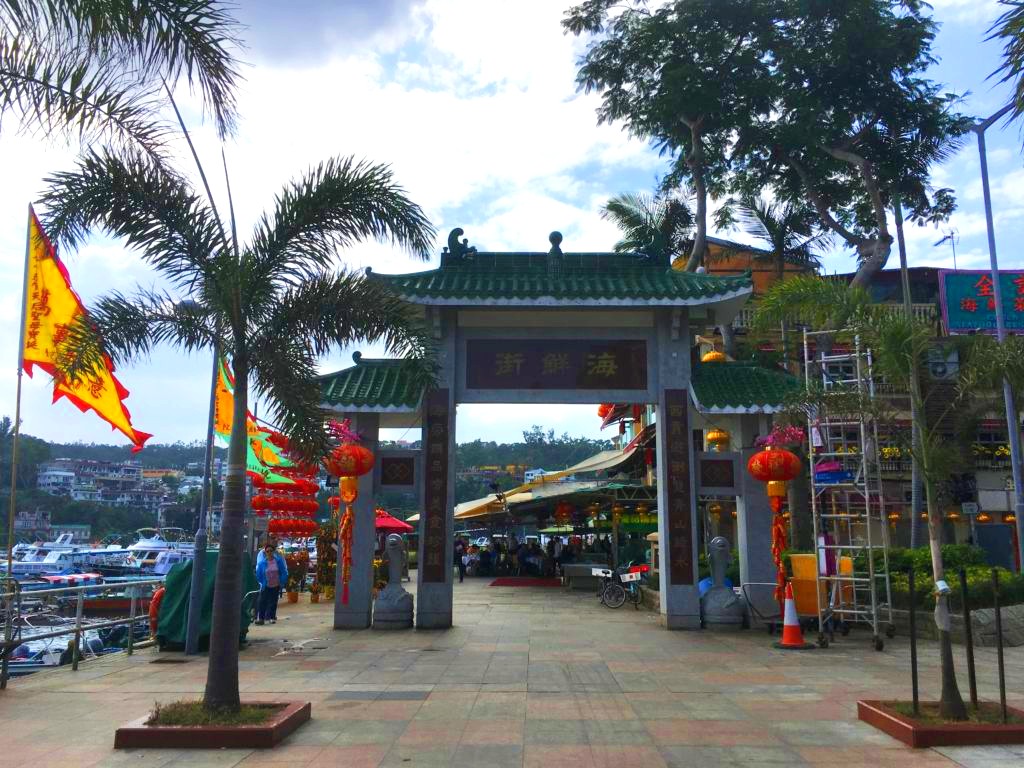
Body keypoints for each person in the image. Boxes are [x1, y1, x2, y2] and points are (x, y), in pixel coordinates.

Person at [255, 543, 288, 625]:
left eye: (270, 551)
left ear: (273, 552)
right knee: (263, 601)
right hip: (265, 585)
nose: (269, 552)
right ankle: (261, 618)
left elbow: (284, 572)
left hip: (276, 584)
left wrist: (282, 581)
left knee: (273, 601)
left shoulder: (278, 561)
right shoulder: (262, 563)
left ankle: (272, 617)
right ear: (265, 552)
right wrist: (261, 583)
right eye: (267, 551)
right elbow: (258, 574)